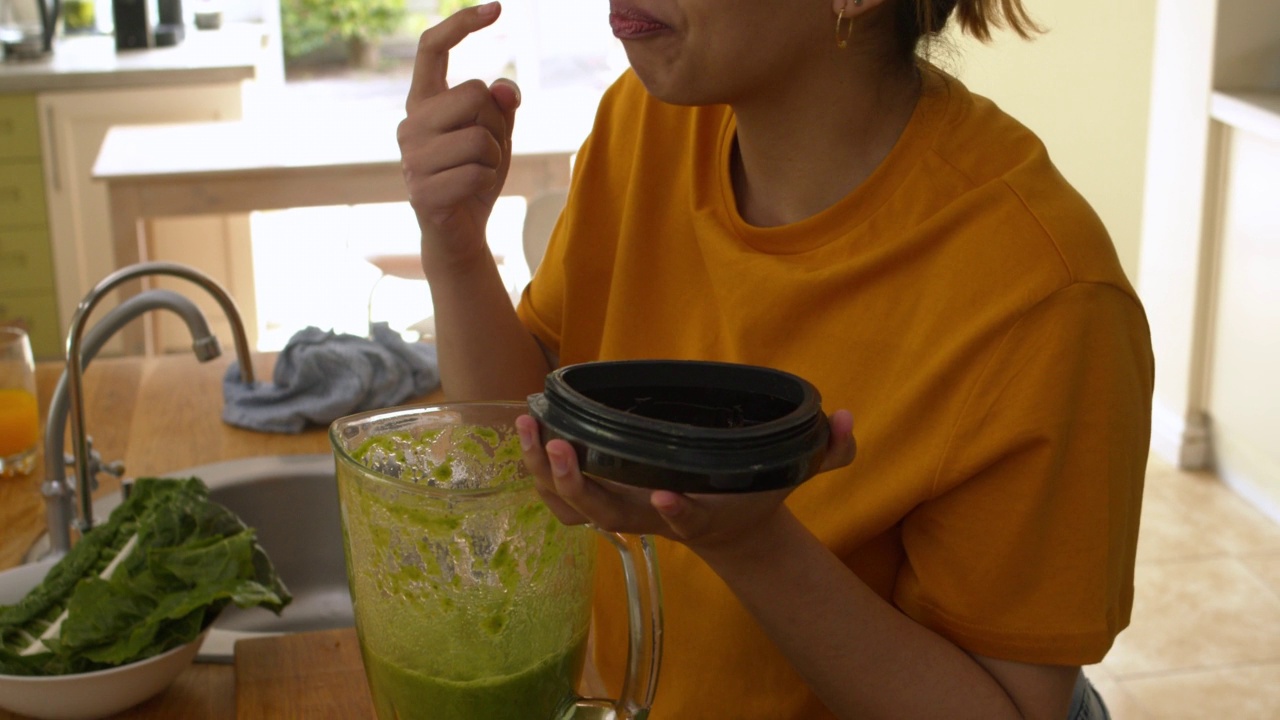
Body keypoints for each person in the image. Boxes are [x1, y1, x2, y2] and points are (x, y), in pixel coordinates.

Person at [396, 0, 1154, 717]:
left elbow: (1014, 709)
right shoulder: (645, 121)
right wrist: (455, 245)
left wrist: (749, 540)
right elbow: (515, 433)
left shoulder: (1045, 295)